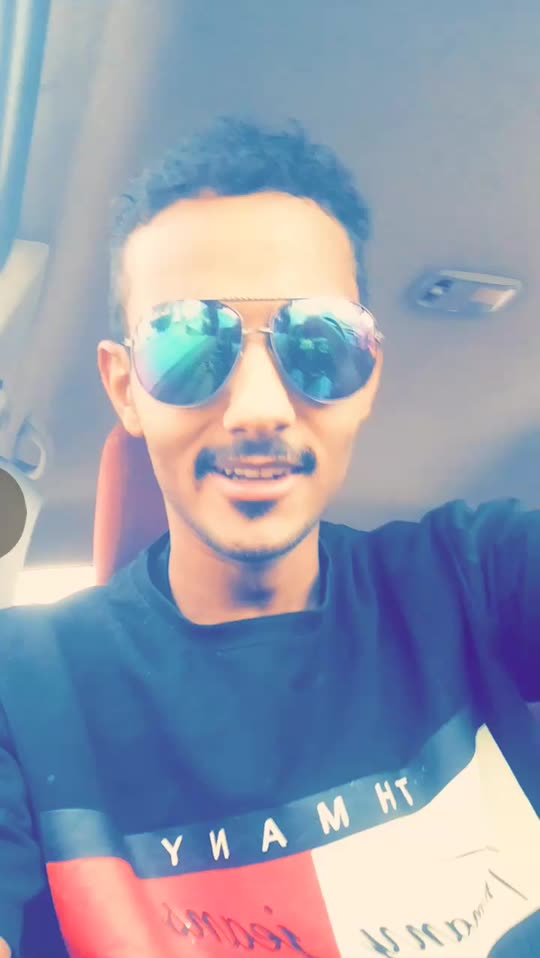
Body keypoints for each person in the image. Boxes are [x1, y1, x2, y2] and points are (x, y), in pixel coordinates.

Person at [0, 117, 538, 958]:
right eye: (188, 344)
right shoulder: (22, 689)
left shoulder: (477, 577)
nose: (258, 408)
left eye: (318, 344)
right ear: (126, 388)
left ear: (369, 376)